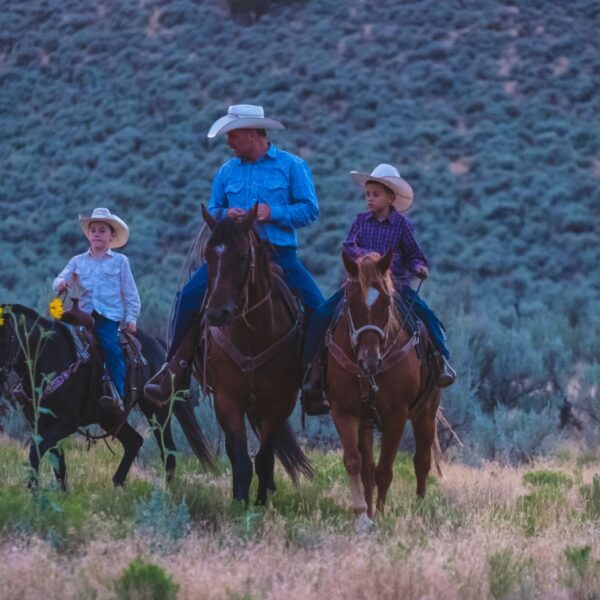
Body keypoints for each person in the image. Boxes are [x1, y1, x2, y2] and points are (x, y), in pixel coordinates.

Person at [144, 104, 324, 404]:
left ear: (253, 134)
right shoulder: (226, 171)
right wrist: (227, 213)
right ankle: (174, 369)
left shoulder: (292, 166)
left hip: (277, 252)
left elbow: (310, 210)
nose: (229, 142)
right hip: (232, 256)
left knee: (317, 307)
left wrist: (272, 212)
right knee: (187, 297)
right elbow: (213, 210)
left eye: (233, 135)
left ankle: (314, 377)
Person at [301, 163, 456, 415]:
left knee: (426, 316)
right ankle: (313, 372)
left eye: (376, 194)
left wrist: (419, 267)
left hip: (393, 286)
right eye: (368, 194)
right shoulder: (360, 221)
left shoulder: (402, 226)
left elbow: (415, 255)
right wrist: (369, 259)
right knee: (321, 315)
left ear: (391, 197)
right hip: (359, 285)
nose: (370, 199)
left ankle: (441, 362)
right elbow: (349, 246)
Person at [53, 207, 141, 414]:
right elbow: (60, 277)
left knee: (111, 347)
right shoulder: (77, 261)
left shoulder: (120, 261)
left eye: (102, 230)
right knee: (56, 340)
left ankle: (118, 395)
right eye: (93, 230)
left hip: (106, 317)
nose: (96, 233)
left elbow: (130, 293)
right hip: (80, 315)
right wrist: (60, 284)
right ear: (88, 235)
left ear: (112, 236)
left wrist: (132, 317)